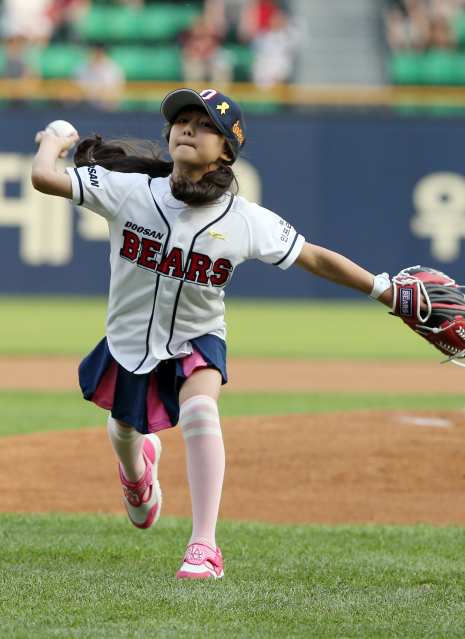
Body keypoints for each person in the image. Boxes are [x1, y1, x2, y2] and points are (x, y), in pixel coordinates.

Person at [31, 88, 395, 579]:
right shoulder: (129, 190)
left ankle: (204, 546)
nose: (187, 127)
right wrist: (52, 140)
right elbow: (43, 177)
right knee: (123, 431)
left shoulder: (243, 219)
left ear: (227, 148)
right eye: (182, 119)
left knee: (202, 410)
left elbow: (313, 256)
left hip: (199, 335)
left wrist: (383, 290)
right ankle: (137, 473)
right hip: (130, 337)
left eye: (204, 124)